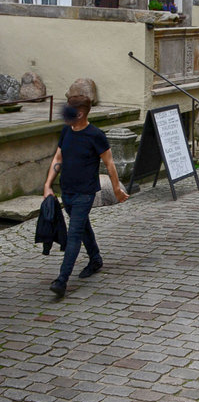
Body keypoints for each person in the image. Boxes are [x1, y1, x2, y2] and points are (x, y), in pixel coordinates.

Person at [42, 95, 129, 298]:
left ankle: (62, 280)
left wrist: (116, 188)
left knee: (74, 234)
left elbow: (109, 163)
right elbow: (58, 158)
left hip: (85, 192)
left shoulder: (95, 135)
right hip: (68, 191)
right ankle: (95, 259)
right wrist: (47, 185)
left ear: (79, 113)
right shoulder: (66, 132)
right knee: (82, 227)